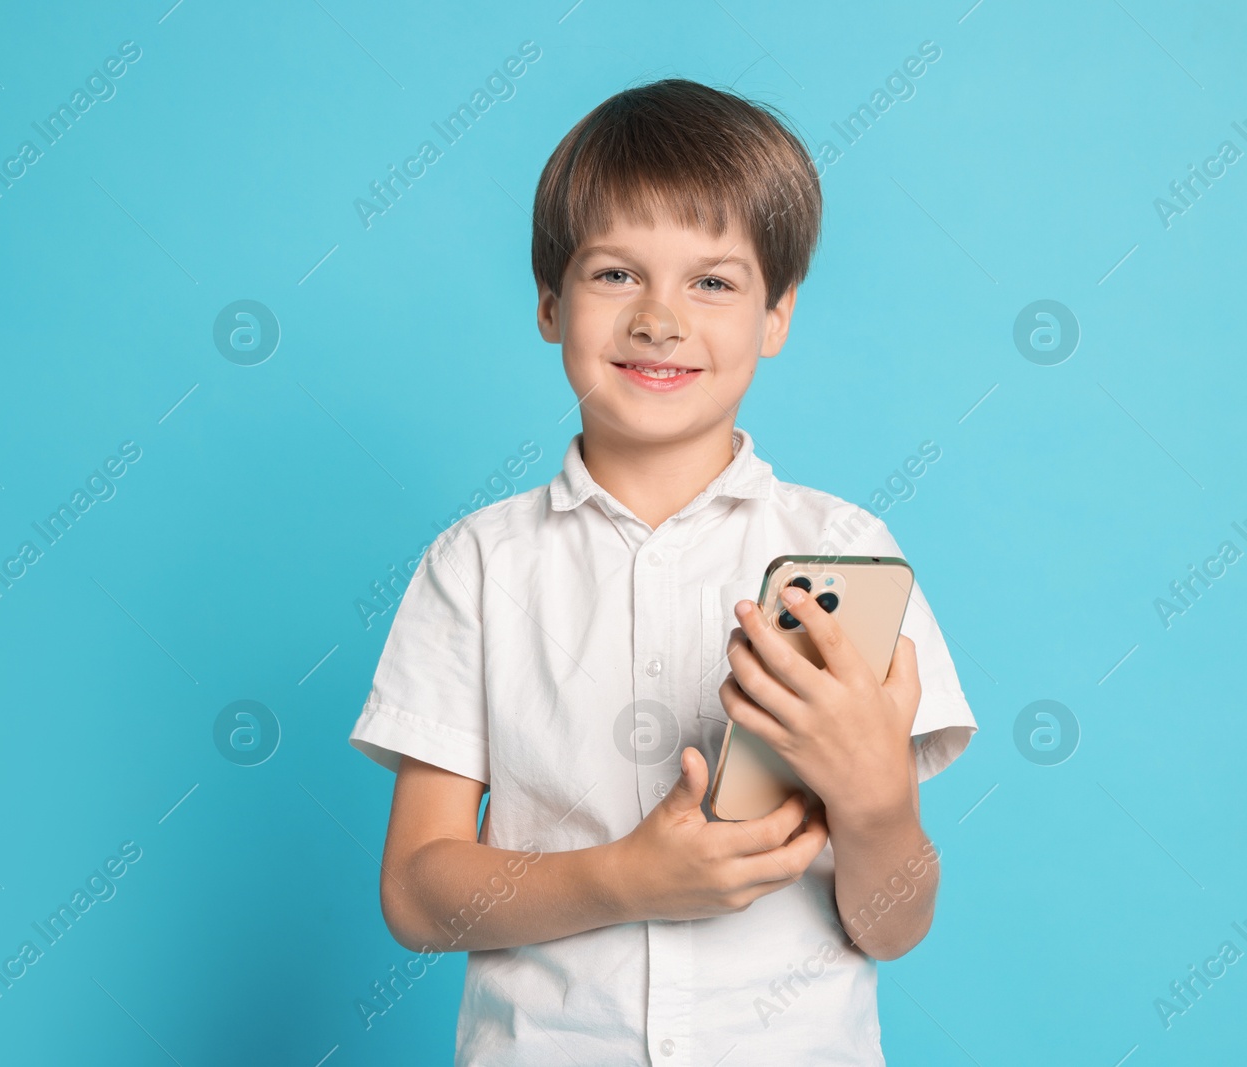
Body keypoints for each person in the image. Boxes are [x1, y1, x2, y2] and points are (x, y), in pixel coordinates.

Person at [349, 77, 977, 1066]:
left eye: (713, 282)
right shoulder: (476, 564)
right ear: (551, 303)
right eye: (614, 274)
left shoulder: (847, 550)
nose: (659, 317)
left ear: (776, 314)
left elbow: (893, 925)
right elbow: (417, 895)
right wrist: (626, 877)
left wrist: (874, 799)